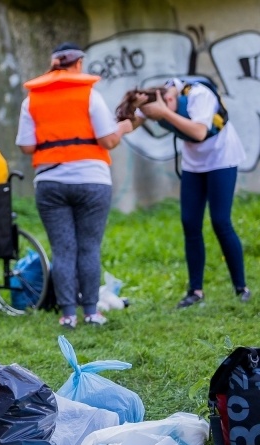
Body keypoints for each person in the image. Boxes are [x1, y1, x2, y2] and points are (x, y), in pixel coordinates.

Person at [15, 42, 133, 329]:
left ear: (53, 64)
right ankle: (92, 312)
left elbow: (27, 146)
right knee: (89, 248)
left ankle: (68, 314)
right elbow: (108, 140)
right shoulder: (90, 94)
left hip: (51, 184)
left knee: (63, 249)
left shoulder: (32, 99)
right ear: (78, 64)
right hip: (92, 181)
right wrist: (125, 127)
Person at [130, 78, 250, 308]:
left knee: (220, 221)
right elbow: (130, 124)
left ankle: (241, 287)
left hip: (221, 159)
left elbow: (198, 132)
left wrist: (164, 112)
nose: (156, 119)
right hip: (194, 165)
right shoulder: (160, 98)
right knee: (190, 223)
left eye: (156, 115)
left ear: (170, 99)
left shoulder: (199, 95)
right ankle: (195, 291)